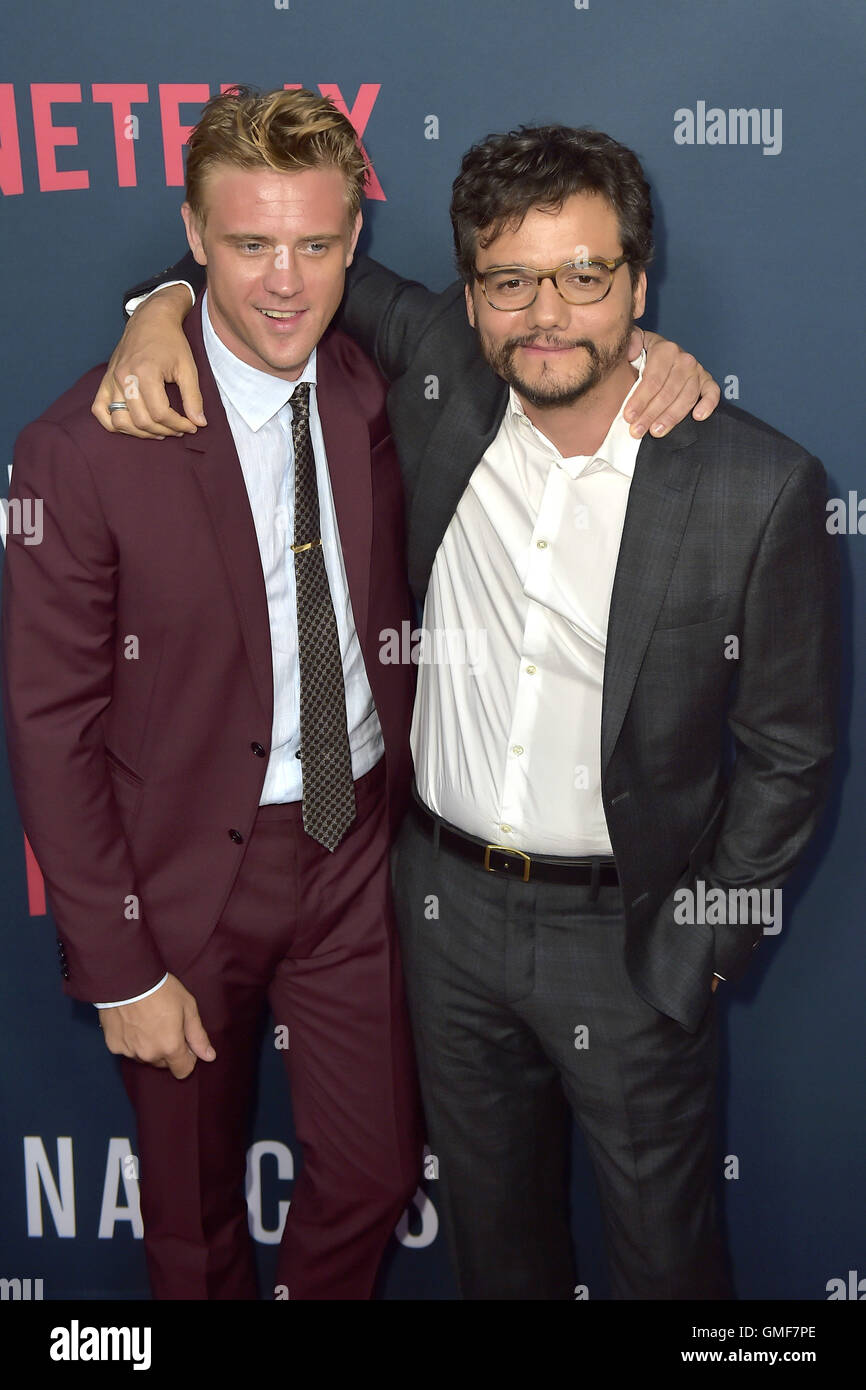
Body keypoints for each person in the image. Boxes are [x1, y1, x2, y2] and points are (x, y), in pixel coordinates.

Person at [91, 121, 809, 1300]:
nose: (548, 313)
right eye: (511, 280)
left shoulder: (754, 481)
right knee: (498, 1254)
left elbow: (788, 756)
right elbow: (269, 265)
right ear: (467, 298)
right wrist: (153, 307)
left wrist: (700, 949)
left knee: (667, 1266)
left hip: (629, 940)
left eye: (585, 276)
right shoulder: (438, 370)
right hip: (441, 919)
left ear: (636, 278)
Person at [2, 86, 425, 1301]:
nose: (283, 281)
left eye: (313, 243)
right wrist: (120, 967)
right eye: (247, 246)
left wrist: (654, 358)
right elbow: (50, 724)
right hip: (183, 875)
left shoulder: (366, 385)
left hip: (350, 846)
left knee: (376, 1174)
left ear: (354, 240)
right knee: (189, 1227)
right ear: (192, 238)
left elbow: (546, 334)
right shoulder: (80, 447)